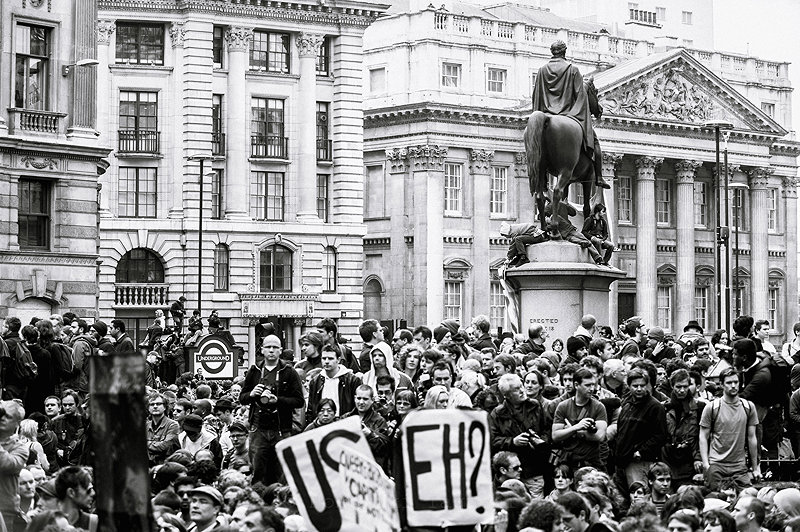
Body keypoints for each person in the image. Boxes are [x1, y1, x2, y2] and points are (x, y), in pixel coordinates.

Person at [532, 40, 608, 189]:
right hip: (569, 115)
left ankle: (541, 187)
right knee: (595, 143)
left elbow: (537, 96)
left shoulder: (542, 70)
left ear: (552, 52)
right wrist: (578, 118)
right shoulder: (573, 70)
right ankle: (599, 176)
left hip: (544, 116)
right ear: (564, 51)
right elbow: (581, 98)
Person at [239, 334, 303, 486]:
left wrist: (278, 400)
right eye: (268, 347)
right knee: (257, 470)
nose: (271, 351)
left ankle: (279, 503)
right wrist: (253, 394)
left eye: (275, 347)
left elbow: (299, 401)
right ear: (262, 350)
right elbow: (242, 398)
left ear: (281, 350)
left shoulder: (289, 372)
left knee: (282, 472)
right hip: (258, 428)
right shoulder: (254, 371)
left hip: (282, 428)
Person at [489, 374, 550, 497]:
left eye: (521, 386)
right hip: (510, 472)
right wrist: (513, 442)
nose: (523, 390)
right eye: (516, 389)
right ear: (507, 395)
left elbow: (547, 430)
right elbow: (493, 441)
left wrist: (540, 442)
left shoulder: (536, 406)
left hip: (534, 468)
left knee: (535, 508)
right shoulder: (497, 413)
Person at [698, 368, 760, 490]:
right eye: (729, 382)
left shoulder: (748, 407)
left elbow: (752, 437)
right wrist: (706, 464)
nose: (733, 386)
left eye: (736, 382)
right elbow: (703, 436)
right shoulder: (713, 407)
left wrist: (755, 467)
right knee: (717, 501)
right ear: (721, 384)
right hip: (717, 464)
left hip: (739, 466)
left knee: (746, 499)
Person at [614, 368, 667, 488]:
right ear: (629, 386)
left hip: (639, 463)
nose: (639, 389)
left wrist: (640, 452)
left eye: (642, 385)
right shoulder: (627, 404)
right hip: (621, 462)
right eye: (635, 385)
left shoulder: (655, 407)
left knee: (640, 497)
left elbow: (661, 435)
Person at [552, 368, 608, 470]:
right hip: (569, 462)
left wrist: (575, 432)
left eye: (593, 385)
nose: (591, 389)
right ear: (576, 385)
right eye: (587, 385)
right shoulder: (563, 406)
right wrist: (576, 427)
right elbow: (555, 435)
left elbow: (600, 436)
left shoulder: (598, 407)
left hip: (591, 462)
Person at [662, 369, 704, 487]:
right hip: (668, 460)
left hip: (690, 460)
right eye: (678, 387)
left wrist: (698, 458)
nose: (682, 390)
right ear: (672, 386)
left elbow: (703, 436)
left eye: (685, 386)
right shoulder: (664, 408)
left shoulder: (699, 407)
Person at [305, 345, 360, 421]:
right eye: (324, 358)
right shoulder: (315, 381)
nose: (326, 361)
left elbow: (357, 407)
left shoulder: (352, 380)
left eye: (330, 358)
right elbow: (311, 409)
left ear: (338, 359)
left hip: (345, 424)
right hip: (321, 425)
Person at [0, 400, 28, 532]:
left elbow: (7, 464)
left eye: (8, 416)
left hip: (5, 509)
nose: (2, 419)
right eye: (1, 415)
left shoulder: (20, 448)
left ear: (17, 423)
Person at [347, 385, 390, 467]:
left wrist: (370, 435)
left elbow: (385, 449)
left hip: (370, 469)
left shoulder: (379, 421)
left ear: (372, 400)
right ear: (354, 398)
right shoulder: (346, 418)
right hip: (350, 466)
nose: (361, 402)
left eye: (365, 399)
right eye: (359, 398)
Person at [55, 466, 97, 532]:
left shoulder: (92, 521)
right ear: (71, 492)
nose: (93, 493)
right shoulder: (46, 521)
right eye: (88, 490)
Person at [147, 392, 180, 466]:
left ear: (165, 407)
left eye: (158, 404)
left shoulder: (173, 425)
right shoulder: (146, 425)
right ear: (148, 408)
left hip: (166, 465)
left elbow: (164, 446)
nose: (155, 406)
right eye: (152, 404)